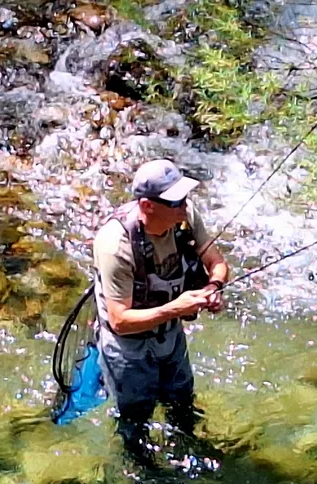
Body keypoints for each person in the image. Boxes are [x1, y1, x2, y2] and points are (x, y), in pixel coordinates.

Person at [92, 159, 229, 467]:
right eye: (174, 201)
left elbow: (217, 263)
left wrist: (214, 287)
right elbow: (119, 320)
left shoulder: (185, 217)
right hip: (127, 348)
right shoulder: (115, 244)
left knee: (183, 404)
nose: (184, 205)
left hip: (170, 337)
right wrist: (176, 308)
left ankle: (191, 452)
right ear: (147, 206)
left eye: (183, 196)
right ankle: (145, 473)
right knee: (135, 420)